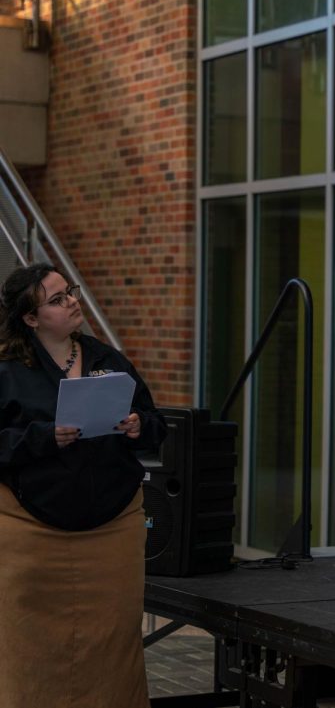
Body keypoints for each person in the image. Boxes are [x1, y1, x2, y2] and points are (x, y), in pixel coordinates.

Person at [0, 263, 167, 706]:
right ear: (30, 319)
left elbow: (157, 424)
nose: (72, 301)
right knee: (31, 647)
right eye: (56, 299)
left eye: (69, 291)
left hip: (111, 528)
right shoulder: (8, 370)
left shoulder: (106, 359)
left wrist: (137, 426)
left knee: (112, 643)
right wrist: (43, 436)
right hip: (32, 533)